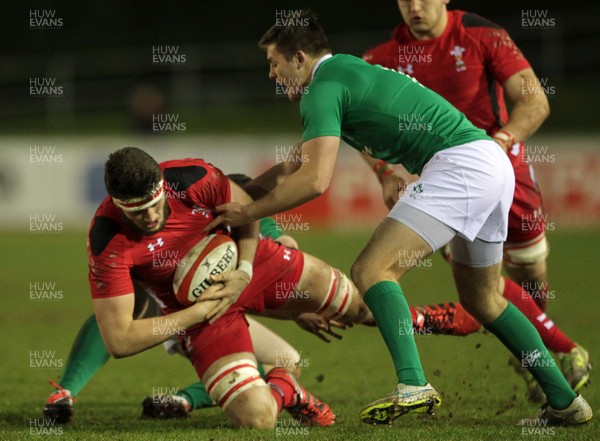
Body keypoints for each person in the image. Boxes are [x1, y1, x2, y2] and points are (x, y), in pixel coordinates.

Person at [205, 10, 592, 426]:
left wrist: (249, 212)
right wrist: (241, 192)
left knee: (371, 270)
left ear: (299, 58)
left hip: (461, 166)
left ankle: (414, 384)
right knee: (484, 300)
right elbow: (297, 164)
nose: (270, 73)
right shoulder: (345, 72)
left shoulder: (322, 88)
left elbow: (315, 181)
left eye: (273, 63)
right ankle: (564, 401)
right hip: (489, 165)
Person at [360, 0, 590, 401]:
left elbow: (535, 100)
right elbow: (362, 123)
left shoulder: (482, 34)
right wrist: (384, 171)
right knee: (485, 283)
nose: (414, 6)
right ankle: (563, 355)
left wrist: (501, 140)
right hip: (449, 181)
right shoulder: (382, 58)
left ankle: (543, 357)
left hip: (505, 166)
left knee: (530, 268)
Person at [84, 146, 396, 429]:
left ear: (162, 186)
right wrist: (200, 312)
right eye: (138, 213)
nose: (151, 217)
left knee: (359, 312)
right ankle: (282, 391)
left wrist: (247, 273)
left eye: (155, 204)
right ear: (118, 204)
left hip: (252, 269)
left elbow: (248, 207)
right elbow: (120, 340)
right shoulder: (107, 241)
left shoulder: (192, 179)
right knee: (257, 418)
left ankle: (432, 335)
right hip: (196, 316)